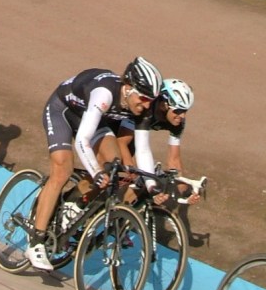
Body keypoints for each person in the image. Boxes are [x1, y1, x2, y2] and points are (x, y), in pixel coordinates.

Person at [25, 56, 163, 271]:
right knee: (63, 169)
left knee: (114, 166)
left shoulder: (143, 108)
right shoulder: (104, 93)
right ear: (128, 88)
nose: (147, 105)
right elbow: (82, 140)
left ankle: (73, 203)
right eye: (144, 98)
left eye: (151, 101)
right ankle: (36, 241)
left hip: (94, 119)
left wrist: (152, 186)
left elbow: (143, 149)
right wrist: (96, 172)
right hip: (62, 109)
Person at [114, 78, 201, 205]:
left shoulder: (178, 122)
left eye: (185, 111)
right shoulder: (145, 110)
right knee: (140, 177)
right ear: (164, 105)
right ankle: (114, 210)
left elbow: (174, 160)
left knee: (149, 179)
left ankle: (123, 213)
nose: (182, 116)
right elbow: (121, 142)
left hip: (135, 138)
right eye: (178, 110)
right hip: (116, 131)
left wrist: (183, 193)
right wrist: (133, 172)